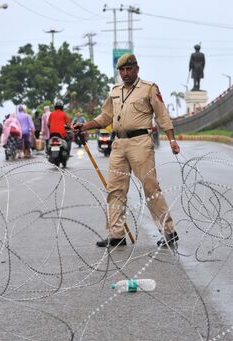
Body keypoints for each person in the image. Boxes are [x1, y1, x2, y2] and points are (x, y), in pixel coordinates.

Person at [74, 53, 181, 248]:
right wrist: (84, 126)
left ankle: (169, 231)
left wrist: (172, 139)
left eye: (129, 69)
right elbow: (105, 117)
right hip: (119, 144)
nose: (125, 73)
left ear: (137, 69)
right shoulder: (115, 92)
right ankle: (116, 234)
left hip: (140, 142)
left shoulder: (148, 88)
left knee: (150, 186)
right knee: (115, 189)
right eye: (122, 70)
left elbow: (162, 115)